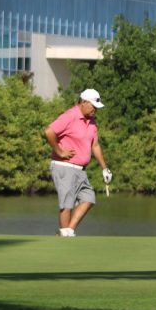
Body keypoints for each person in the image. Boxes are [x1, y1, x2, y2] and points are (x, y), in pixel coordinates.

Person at [45, 88, 112, 237]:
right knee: (67, 204)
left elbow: (95, 145)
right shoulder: (70, 116)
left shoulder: (92, 122)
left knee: (89, 198)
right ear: (83, 102)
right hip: (64, 167)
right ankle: (66, 236)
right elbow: (49, 131)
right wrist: (59, 151)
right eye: (93, 106)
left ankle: (67, 231)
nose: (95, 110)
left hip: (81, 170)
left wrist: (104, 168)